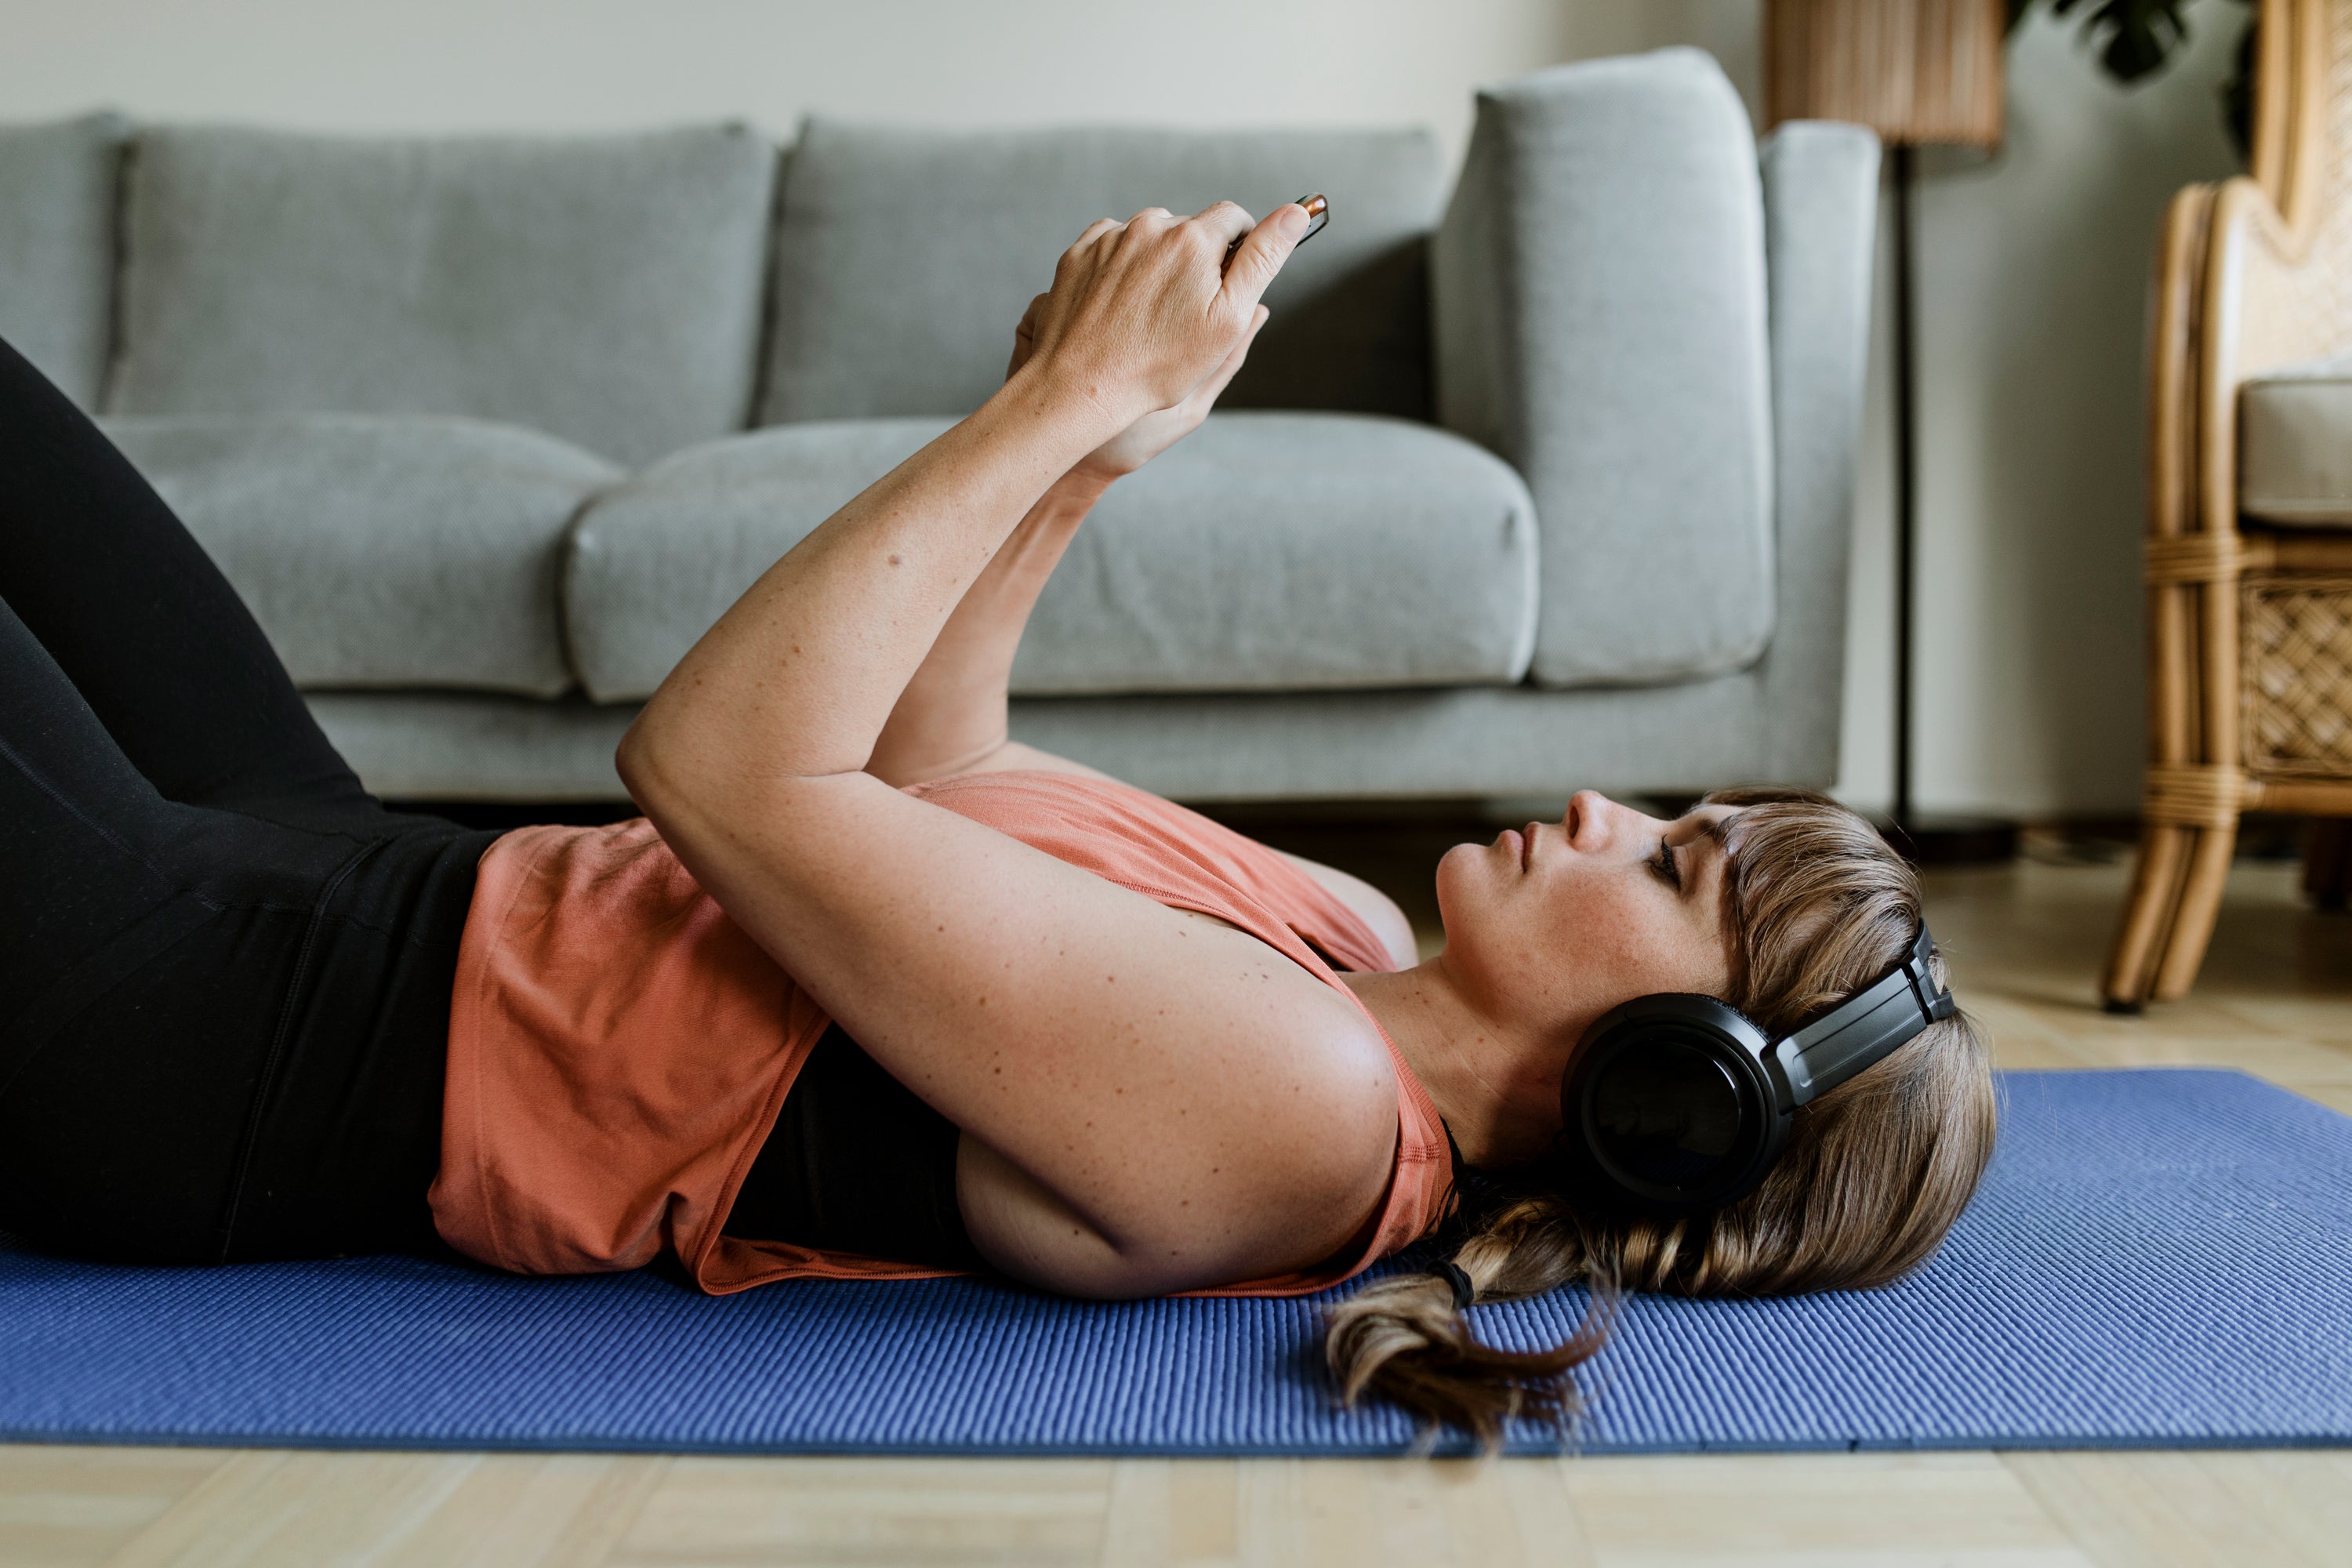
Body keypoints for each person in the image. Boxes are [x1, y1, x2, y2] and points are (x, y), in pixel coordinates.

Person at [0, 198, 1992, 1444]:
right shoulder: (1338, 943)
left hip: (208, 1045)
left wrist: (1026, 424)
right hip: (353, 872)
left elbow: (719, 769)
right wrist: (1087, 443)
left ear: (1680, 1091)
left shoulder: (1296, 1107)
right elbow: (936, 769)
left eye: (1673, 866)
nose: (1605, 806)